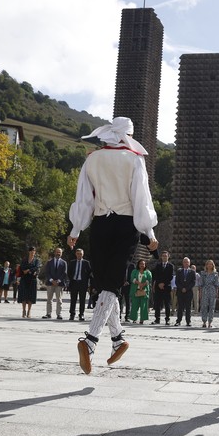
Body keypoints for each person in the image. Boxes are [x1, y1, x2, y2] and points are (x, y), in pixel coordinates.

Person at [69, 117, 159, 375]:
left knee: (105, 283)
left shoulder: (93, 159)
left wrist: (76, 228)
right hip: (125, 223)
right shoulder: (133, 159)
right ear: (127, 135)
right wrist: (149, 231)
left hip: (99, 224)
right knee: (112, 284)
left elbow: (83, 197)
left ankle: (118, 338)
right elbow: (141, 198)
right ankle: (91, 340)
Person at [43, 248, 68, 320]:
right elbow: (47, 272)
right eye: (57, 252)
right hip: (50, 283)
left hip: (59, 284)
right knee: (49, 299)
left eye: (59, 252)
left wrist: (58, 281)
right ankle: (48, 313)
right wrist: (52, 280)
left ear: (61, 253)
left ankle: (59, 314)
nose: (58, 253)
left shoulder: (64, 263)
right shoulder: (49, 262)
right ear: (55, 253)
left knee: (59, 300)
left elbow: (64, 273)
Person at [68, 248, 92, 321]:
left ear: (83, 254)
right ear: (76, 254)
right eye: (78, 254)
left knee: (82, 300)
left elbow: (89, 273)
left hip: (82, 284)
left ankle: (81, 314)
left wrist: (87, 283)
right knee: (73, 300)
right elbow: (69, 272)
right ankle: (72, 314)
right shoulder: (72, 262)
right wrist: (71, 280)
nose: (79, 255)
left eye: (80, 254)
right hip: (74, 283)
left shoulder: (86, 263)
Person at [152, 250, 174, 326]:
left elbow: (170, 276)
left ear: (168, 257)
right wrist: (159, 283)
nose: (164, 257)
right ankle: (157, 319)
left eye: (166, 256)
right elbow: (155, 276)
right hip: (158, 287)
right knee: (157, 304)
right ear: (161, 257)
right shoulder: (158, 265)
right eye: (163, 256)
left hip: (166, 287)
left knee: (167, 304)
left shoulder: (171, 266)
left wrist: (163, 283)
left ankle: (167, 319)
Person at [18, 247, 40, 318]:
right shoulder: (24, 260)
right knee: (24, 295)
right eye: (31, 251)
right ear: (29, 252)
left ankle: (29, 311)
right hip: (24, 279)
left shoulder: (36, 260)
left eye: (33, 251)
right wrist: (28, 270)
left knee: (30, 296)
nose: (32, 252)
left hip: (32, 279)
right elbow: (22, 267)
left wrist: (28, 270)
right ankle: (24, 310)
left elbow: (36, 267)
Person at [175, 257, 196, 327]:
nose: (186, 263)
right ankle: (178, 321)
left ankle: (188, 321)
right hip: (180, 291)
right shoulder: (179, 271)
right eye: (184, 262)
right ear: (182, 263)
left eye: (187, 262)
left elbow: (193, 282)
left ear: (189, 263)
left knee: (188, 307)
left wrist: (186, 288)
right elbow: (176, 281)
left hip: (188, 292)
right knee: (180, 307)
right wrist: (181, 288)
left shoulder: (192, 272)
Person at [199, 260, 219, 328]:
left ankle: (210, 322)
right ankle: (204, 321)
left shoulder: (215, 274)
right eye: (208, 264)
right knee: (204, 306)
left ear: (213, 265)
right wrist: (200, 293)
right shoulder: (203, 273)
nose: (209, 265)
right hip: (205, 290)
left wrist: (217, 293)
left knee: (212, 307)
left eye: (211, 264)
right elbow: (201, 284)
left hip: (212, 290)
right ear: (206, 265)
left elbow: (217, 285)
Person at [129, 259, 151, 324]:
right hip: (135, 290)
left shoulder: (148, 272)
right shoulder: (134, 271)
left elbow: (149, 279)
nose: (142, 265)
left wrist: (143, 285)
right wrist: (139, 283)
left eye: (143, 264)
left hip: (144, 291)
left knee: (143, 306)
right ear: (138, 264)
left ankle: (142, 319)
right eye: (140, 264)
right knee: (134, 305)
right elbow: (132, 278)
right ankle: (134, 319)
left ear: (145, 265)